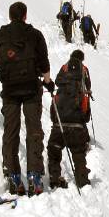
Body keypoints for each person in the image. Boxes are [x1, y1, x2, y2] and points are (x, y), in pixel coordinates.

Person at [0, 1, 55, 196]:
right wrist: (48, 82)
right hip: (31, 90)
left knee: (11, 132)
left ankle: (13, 176)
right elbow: (44, 63)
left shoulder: (2, 34)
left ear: (11, 16)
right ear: (25, 16)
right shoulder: (35, 35)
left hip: (10, 91)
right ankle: (34, 176)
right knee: (33, 130)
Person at [47, 49, 92, 189]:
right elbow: (85, 116)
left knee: (54, 150)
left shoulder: (60, 83)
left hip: (59, 126)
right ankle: (82, 180)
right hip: (77, 127)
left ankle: (54, 178)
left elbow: (53, 111)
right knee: (78, 151)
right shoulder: (83, 72)